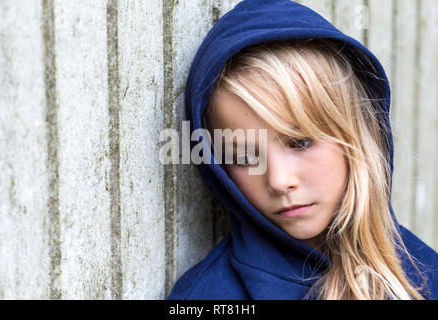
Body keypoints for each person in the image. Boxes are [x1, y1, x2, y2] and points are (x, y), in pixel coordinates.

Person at [167, 0, 438, 299]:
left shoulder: (422, 271)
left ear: (357, 134)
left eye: (300, 142)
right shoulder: (207, 296)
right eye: (244, 158)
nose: (279, 181)